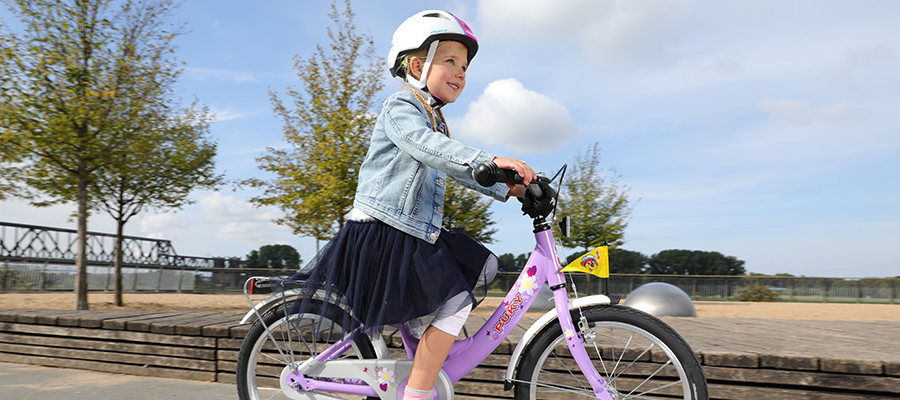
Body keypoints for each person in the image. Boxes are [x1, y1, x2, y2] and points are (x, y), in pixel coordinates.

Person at [293, 10, 535, 400]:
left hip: (408, 232)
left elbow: (450, 166)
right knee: (456, 300)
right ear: (419, 65)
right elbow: (431, 149)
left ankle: (421, 366)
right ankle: (418, 395)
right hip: (384, 233)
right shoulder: (401, 108)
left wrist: (511, 190)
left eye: (465, 66)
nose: (461, 72)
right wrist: (488, 161)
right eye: (450, 61)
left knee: (465, 284)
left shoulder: (435, 121)